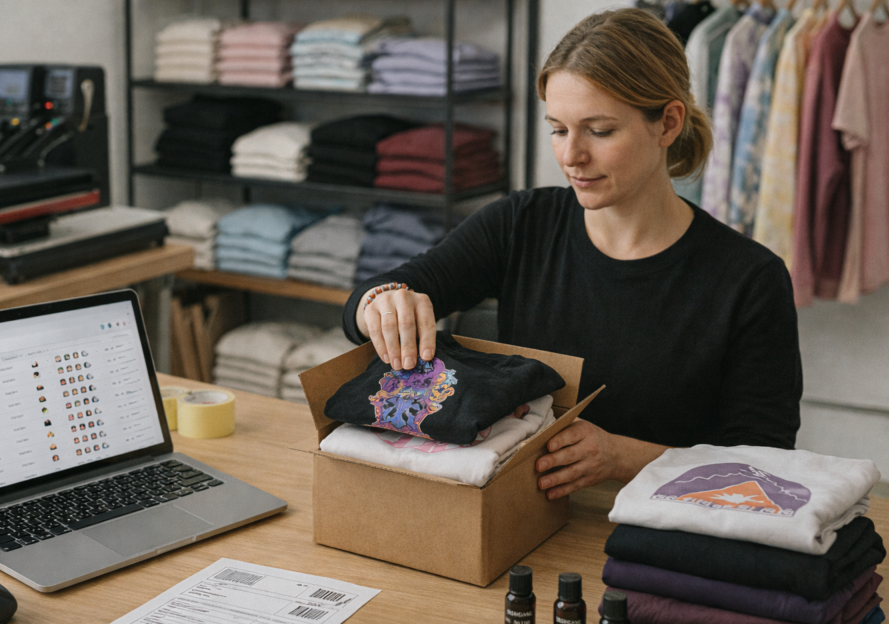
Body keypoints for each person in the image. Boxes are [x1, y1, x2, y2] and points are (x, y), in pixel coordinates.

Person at [341, 8, 802, 500]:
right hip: (525, 513)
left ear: (668, 123)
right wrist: (383, 303)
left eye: (599, 131)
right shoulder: (522, 223)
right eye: (559, 129)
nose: (571, 156)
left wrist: (618, 456)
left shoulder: (749, 280)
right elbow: (367, 302)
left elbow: (762, 463)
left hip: (668, 535)